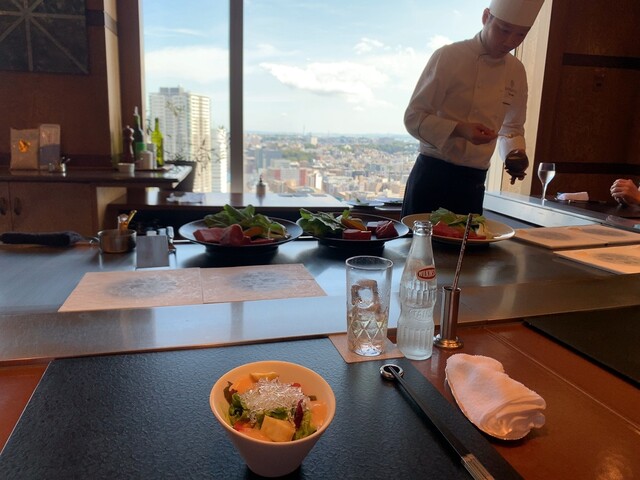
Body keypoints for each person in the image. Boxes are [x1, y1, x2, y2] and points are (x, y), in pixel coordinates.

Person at [401, 0, 544, 217]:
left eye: (521, 35)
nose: (510, 41)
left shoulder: (516, 70)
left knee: (468, 240)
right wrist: (460, 129)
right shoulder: (449, 56)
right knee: (420, 240)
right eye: (504, 30)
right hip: (433, 175)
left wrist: (515, 154)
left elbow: (512, 128)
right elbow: (413, 118)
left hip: (474, 182)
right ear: (486, 17)